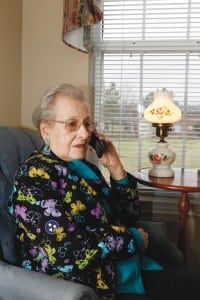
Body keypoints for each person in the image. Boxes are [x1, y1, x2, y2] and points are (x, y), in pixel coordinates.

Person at [8, 83, 200, 300]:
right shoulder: (33, 177)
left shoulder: (84, 167)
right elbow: (67, 253)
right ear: (46, 130)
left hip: (133, 270)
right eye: (72, 124)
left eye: (87, 124)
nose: (84, 133)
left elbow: (127, 216)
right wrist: (133, 239)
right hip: (100, 285)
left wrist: (115, 168)